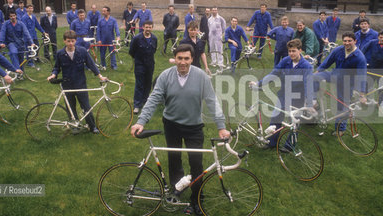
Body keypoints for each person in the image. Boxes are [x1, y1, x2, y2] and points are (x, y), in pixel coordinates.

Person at [130, 44, 230, 215]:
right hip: (171, 125)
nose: (183, 62)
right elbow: (153, 99)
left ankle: (196, 201)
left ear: (192, 59)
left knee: (196, 165)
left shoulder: (201, 77)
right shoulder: (165, 76)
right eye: (179, 58)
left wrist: (221, 126)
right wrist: (141, 121)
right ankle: (177, 190)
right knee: (174, 160)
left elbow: (212, 101)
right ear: (174, 59)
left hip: (194, 127)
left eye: (186, 58)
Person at [249, 39, 314, 148]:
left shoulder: (307, 66)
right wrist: (259, 84)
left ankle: (289, 145)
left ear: (300, 50)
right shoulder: (285, 61)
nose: (291, 54)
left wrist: (310, 102)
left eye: (294, 51)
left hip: (297, 98)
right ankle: (271, 142)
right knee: (275, 118)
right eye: (289, 51)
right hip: (283, 95)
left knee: (294, 122)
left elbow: (309, 85)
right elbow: (274, 74)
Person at [47, 30, 107, 134]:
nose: (70, 43)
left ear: (76, 41)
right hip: (67, 84)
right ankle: (74, 125)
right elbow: (57, 67)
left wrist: (100, 76)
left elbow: (91, 65)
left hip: (80, 84)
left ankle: (92, 126)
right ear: (64, 41)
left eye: (73, 41)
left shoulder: (82, 51)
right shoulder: (60, 54)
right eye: (68, 41)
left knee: (86, 106)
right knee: (70, 107)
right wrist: (53, 74)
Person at [314, 32, 367, 136]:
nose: (346, 43)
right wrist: (318, 71)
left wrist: (362, 95)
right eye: (345, 41)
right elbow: (327, 62)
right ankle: (313, 102)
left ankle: (340, 129)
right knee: (313, 78)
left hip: (347, 83)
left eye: (349, 41)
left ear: (355, 41)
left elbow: (362, 76)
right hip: (334, 75)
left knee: (342, 106)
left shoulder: (360, 57)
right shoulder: (338, 50)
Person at [129, 20, 158, 114]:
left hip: (150, 65)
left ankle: (145, 102)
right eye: (146, 27)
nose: (148, 29)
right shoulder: (137, 38)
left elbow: (154, 50)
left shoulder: (154, 38)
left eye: (150, 27)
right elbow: (131, 51)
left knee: (148, 84)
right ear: (143, 27)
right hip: (139, 65)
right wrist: (138, 59)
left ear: (152, 28)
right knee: (139, 84)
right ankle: (137, 105)